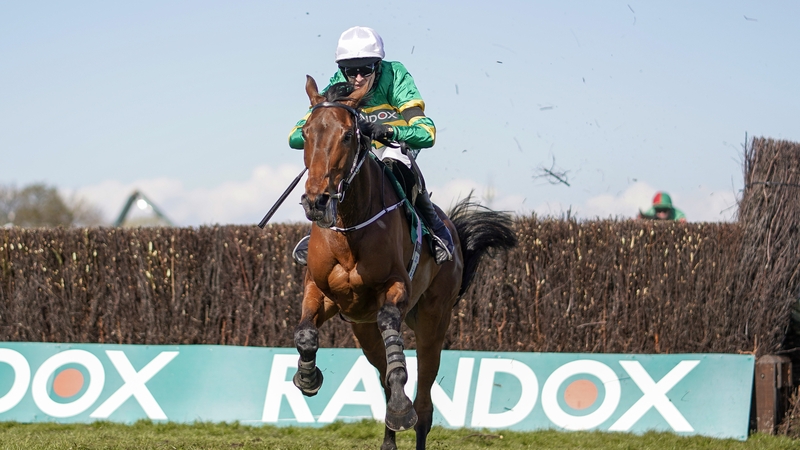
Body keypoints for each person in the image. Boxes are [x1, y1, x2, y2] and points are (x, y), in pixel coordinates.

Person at [288, 26, 455, 266]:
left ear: (377, 65)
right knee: (338, 164)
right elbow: (295, 137)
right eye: (350, 71)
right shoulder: (337, 83)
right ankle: (317, 229)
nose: (357, 78)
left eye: (365, 69)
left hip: (395, 142)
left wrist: (387, 130)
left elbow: (426, 134)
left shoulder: (395, 75)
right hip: (359, 147)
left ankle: (435, 227)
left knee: (395, 161)